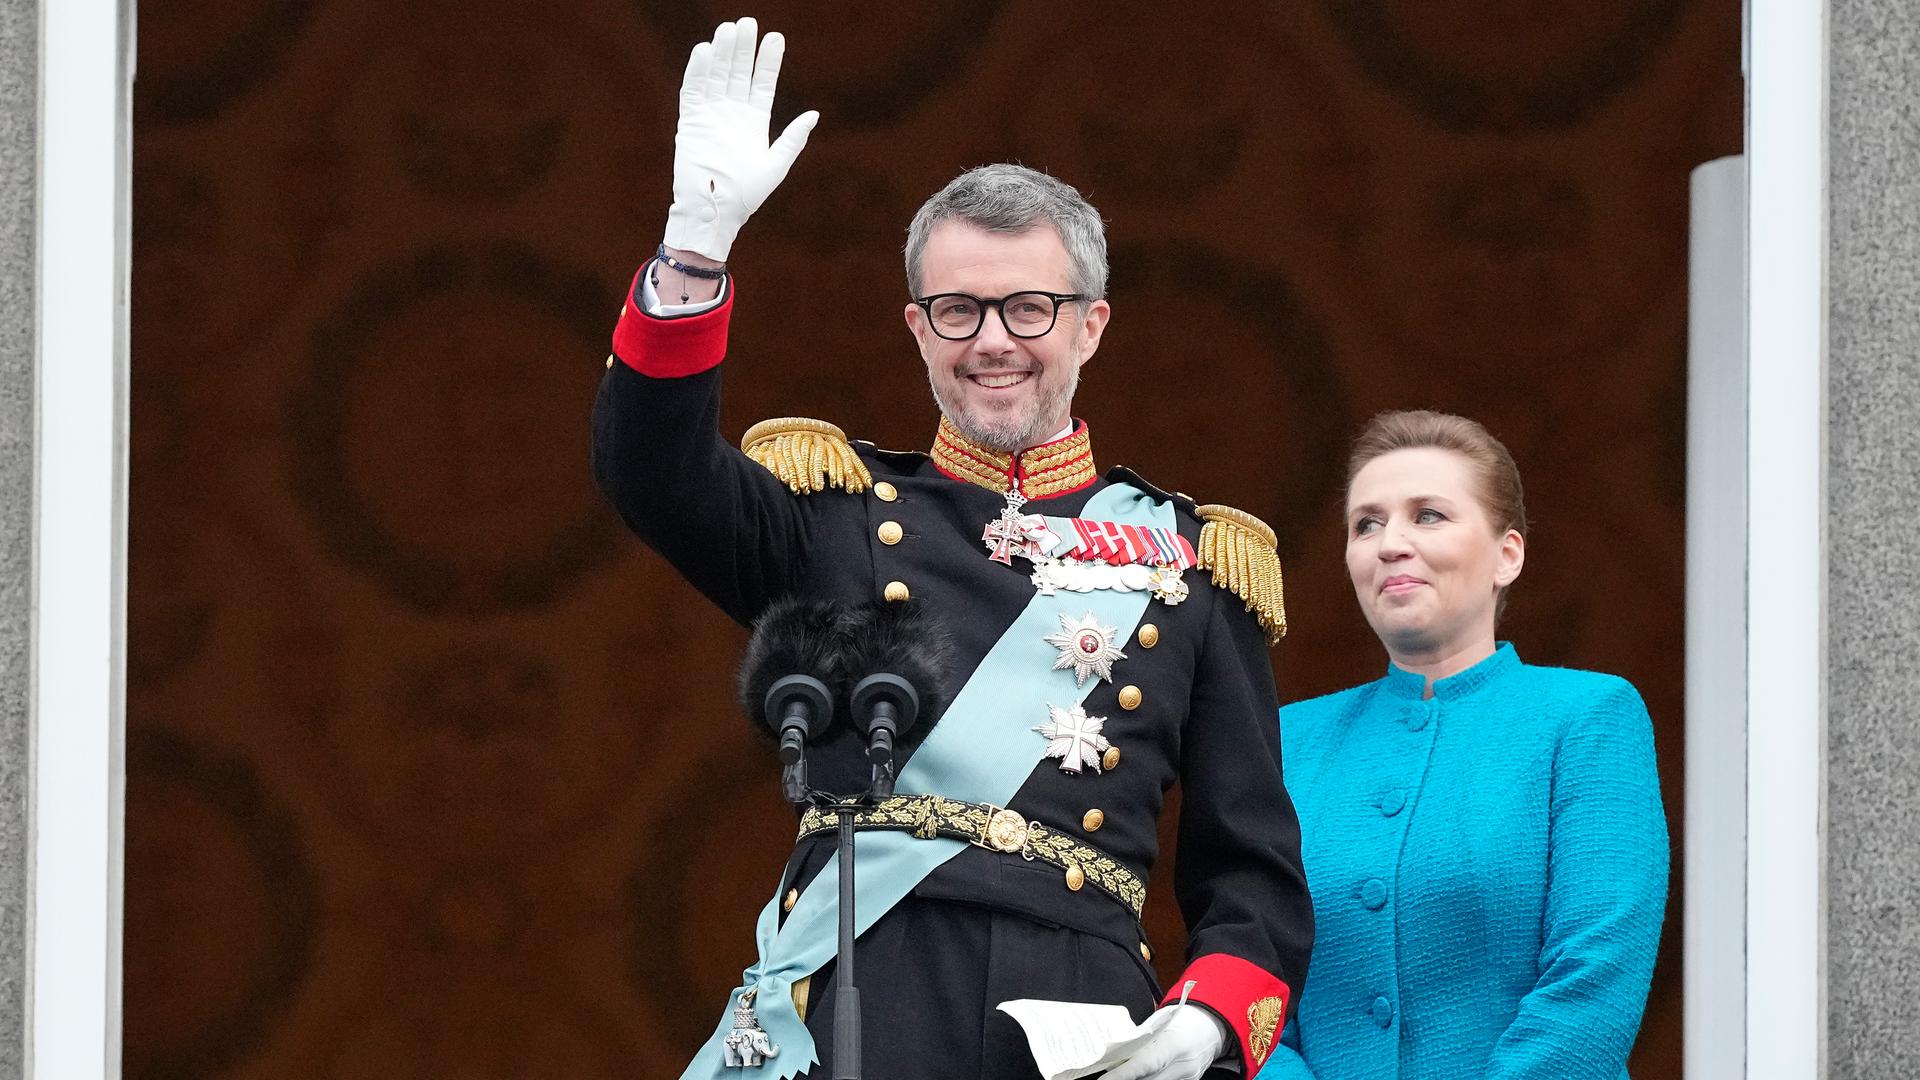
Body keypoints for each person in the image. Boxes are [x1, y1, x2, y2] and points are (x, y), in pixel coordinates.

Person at [590, 18, 1312, 1080]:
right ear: (918, 327)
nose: (993, 341)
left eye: (1029, 307)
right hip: (866, 994)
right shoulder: (828, 513)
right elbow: (648, 473)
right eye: (959, 309)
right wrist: (694, 253)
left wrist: (1207, 1022)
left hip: (1084, 1017)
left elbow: (1252, 875)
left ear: (1091, 325)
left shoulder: (1195, 566)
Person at [1259, 411, 1668, 1079]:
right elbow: (1254, 984)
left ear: (1508, 553)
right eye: (1367, 523)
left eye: (1428, 516)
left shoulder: (1588, 718)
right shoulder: (1291, 740)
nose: (1391, 542)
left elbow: (1595, 979)